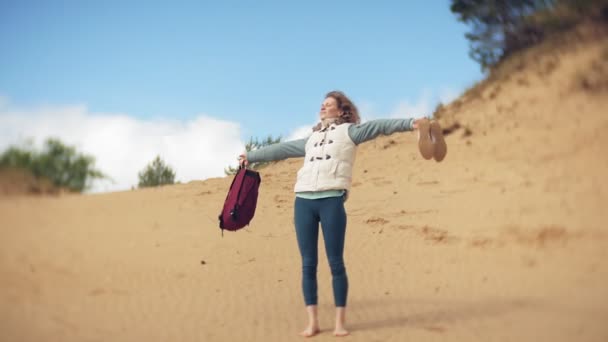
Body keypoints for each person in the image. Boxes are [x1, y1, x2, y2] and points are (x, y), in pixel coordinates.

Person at [238, 90, 446, 337]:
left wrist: (411, 123)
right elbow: (281, 149)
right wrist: (250, 156)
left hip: (331, 200)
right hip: (303, 201)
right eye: (322, 105)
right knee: (308, 264)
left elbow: (380, 127)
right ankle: (313, 322)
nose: (323, 108)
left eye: (328, 105)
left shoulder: (351, 131)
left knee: (336, 263)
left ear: (341, 110)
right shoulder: (311, 139)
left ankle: (339, 323)